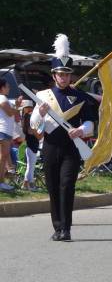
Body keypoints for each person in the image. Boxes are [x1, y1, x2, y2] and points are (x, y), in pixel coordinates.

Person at [30, 34, 98, 240]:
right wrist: (40, 113)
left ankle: (66, 228)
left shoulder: (81, 97)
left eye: (67, 74)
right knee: (52, 187)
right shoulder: (42, 96)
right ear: (54, 75)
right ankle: (57, 226)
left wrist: (81, 130)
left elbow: (90, 123)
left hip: (71, 147)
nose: (64, 77)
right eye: (60, 74)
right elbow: (35, 125)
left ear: (71, 76)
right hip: (50, 145)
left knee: (67, 186)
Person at [0, 78, 22, 191]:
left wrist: (16, 106)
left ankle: (2, 181)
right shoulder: (2, 97)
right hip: (3, 131)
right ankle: (1, 182)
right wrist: (17, 107)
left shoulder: (4, 98)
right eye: (7, 86)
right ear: (2, 88)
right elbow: (9, 112)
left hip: (5, 132)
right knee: (3, 157)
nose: (9, 88)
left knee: (4, 157)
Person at [19, 99, 40, 191]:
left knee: (31, 166)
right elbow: (32, 132)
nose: (31, 109)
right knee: (30, 167)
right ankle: (26, 184)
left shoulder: (26, 118)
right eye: (29, 107)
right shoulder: (28, 118)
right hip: (31, 145)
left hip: (31, 144)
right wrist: (38, 132)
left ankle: (30, 184)